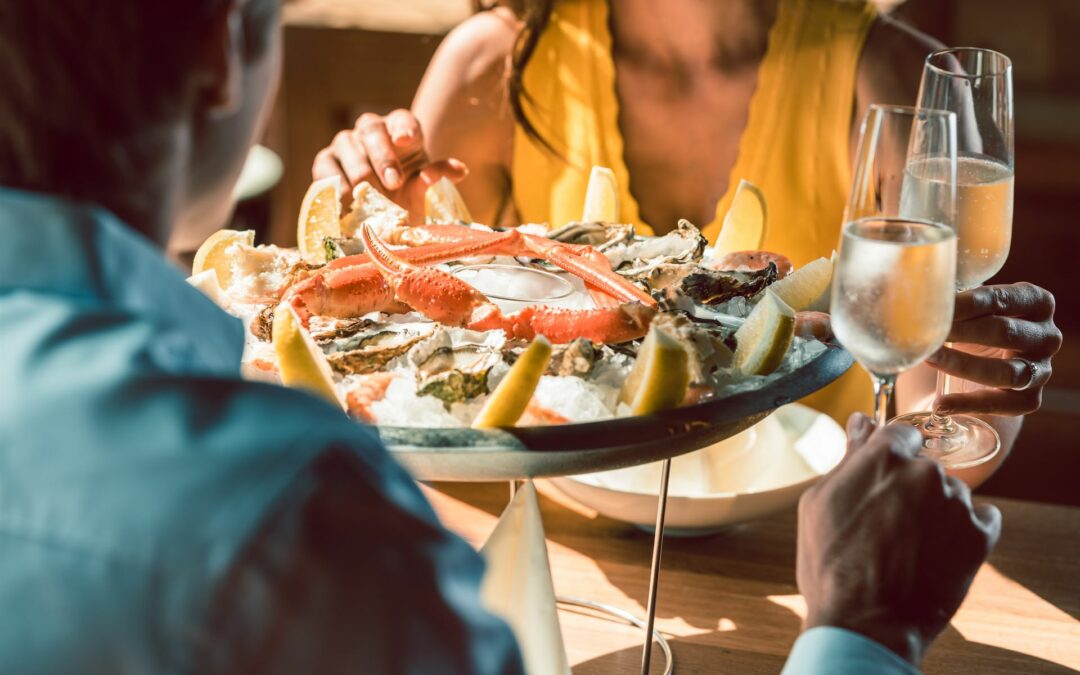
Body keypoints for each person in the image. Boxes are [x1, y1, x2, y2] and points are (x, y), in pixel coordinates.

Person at [0, 0, 1002, 672]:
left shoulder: (869, 63)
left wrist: (969, 401)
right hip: (628, 588)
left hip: (759, 562)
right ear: (224, 54)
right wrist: (858, 639)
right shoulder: (303, 512)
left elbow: (931, 404)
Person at [314, 0, 1062, 486]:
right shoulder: (491, 63)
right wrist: (366, 211)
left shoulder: (886, 69)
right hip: (554, 540)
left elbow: (941, 401)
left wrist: (980, 386)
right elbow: (395, 365)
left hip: (800, 547)